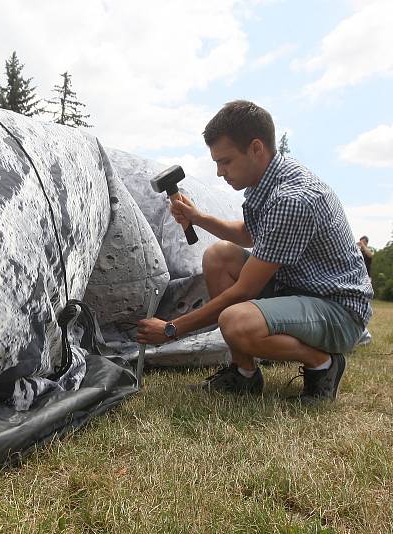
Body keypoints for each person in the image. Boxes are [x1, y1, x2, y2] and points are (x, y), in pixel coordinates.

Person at [137, 100, 373, 403]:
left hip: (338, 309)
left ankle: (323, 363)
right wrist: (198, 218)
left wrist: (171, 329)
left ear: (256, 148)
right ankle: (244, 373)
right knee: (218, 256)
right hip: (300, 290)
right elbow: (249, 235)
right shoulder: (266, 182)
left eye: (226, 161)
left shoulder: (293, 198)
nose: (220, 172)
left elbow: (243, 290)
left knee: (235, 321)